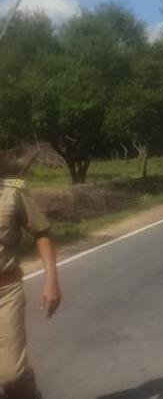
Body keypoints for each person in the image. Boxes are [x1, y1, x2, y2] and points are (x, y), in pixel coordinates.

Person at [0, 152, 59, 399]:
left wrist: (51, 281)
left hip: (5, 291)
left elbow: (41, 233)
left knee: (12, 373)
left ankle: (27, 391)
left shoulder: (13, 192)